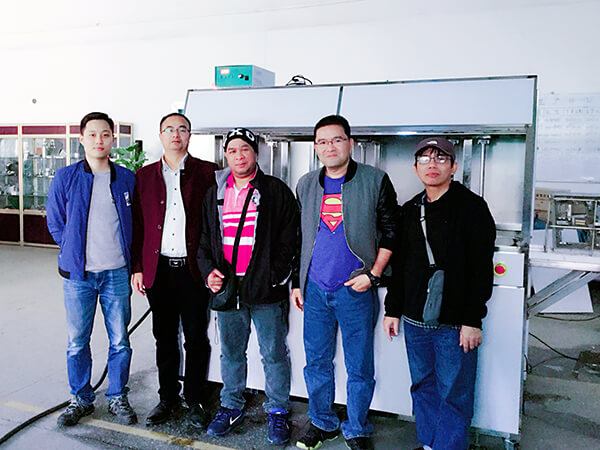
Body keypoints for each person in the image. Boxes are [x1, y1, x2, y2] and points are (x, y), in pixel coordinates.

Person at [292, 115, 399, 450]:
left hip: (355, 288)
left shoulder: (374, 180)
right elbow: (299, 237)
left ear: (350, 144)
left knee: (359, 364)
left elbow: (392, 231)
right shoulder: (306, 184)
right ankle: (322, 422)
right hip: (315, 288)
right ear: (316, 148)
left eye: (337, 140)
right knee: (316, 361)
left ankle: (357, 428)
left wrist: (373, 274)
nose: (330, 147)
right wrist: (297, 282)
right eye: (323, 142)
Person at [383, 137, 496, 450]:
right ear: (416, 168)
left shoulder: (472, 208)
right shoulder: (410, 210)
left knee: (454, 393)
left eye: (440, 158)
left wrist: (473, 320)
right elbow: (400, 266)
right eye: (425, 159)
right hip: (414, 320)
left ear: (454, 166)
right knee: (422, 386)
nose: (432, 165)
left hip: (454, 323)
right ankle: (430, 444)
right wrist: (392, 310)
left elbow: (481, 268)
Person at [197, 127, 298, 445]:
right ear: (225, 155)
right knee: (230, 352)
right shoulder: (215, 192)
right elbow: (204, 239)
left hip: (266, 290)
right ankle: (231, 406)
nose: (238, 156)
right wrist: (209, 272)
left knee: (273, 352)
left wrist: (274, 275)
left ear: (255, 153)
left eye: (245, 149)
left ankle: (278, 410)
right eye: (232, 150)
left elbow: (290, 238)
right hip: (228, 289)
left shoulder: (275, 191)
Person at [47, 111, 137, 426]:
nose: (99, 140)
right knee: (77, 342)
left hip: (117, 274)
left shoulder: (126, 178)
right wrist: (72, 250)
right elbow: (55, 222)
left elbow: (136, 223)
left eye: (105, 134)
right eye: (93, 134)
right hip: (79, 277)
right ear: (82, 139)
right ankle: (81, 398)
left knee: (120, 341)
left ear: (113, 139)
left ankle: (117, 396)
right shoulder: (66, 177)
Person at [131, 112, 218, 428]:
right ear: (160, 135)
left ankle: (195, 399)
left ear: (190, 136)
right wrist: (138, 267)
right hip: (159, 271)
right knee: (164, 337)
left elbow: (216, 224)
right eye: (169, 129)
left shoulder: (208, 172)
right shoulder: (144, 176)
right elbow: (138, 226)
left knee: (196, 338)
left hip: (193, 271)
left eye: (182, 129)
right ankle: (167, 397)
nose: (176, 134)